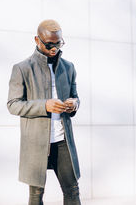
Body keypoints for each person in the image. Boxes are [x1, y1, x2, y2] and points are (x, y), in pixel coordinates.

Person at [7, 19, 81, 205]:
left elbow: (75, 96)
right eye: (49, 44)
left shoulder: (69, 67)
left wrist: (74, 104)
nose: (54, 48)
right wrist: (44, 105)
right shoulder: (23, 68)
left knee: (72, 189)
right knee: (36, 195)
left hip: (62, 140)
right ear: (37, 40)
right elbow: (13, 104)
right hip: (36, 142)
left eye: (58, 43)